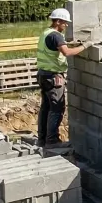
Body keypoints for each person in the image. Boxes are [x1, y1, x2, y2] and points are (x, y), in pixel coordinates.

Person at [36, 8, 86, 150]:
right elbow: (67, 52)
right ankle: (52, 141)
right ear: (58, 21)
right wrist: (84, 46)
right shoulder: (56, 36)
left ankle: (42, 139)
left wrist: (70, 43)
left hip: (43, 75)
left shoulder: (46, 33)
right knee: (57, 109)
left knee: (46, 107)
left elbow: (56, 47)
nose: (66, 25)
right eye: (65, 22)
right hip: (53, 77)